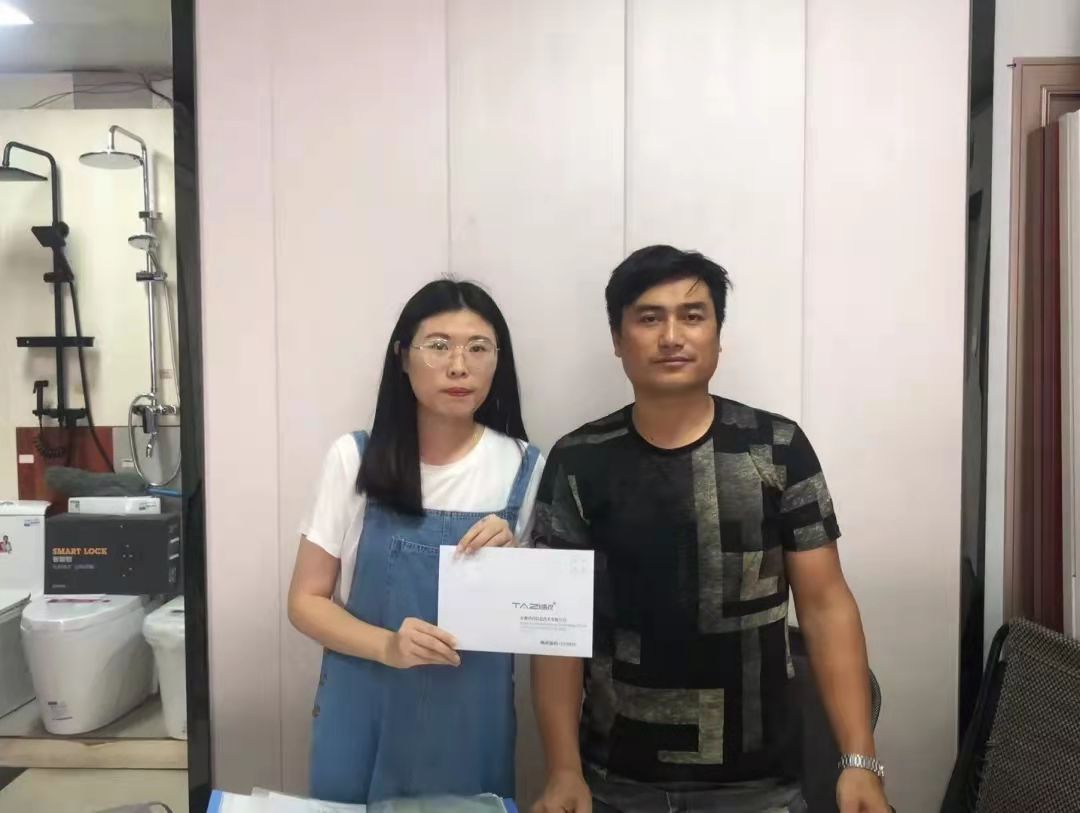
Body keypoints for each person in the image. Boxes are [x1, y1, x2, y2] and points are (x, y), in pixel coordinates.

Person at [530, 246, 890, 813]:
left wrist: (859, 761)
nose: (672, 336)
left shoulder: (777, 448)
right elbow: (556, 630)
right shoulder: (578, 460)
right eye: (650, 318)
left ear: (719, 336)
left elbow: (826, 605)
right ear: (618, 339)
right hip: (616, 781)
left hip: (761, 785)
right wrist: (562, 770)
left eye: (692, 316)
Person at [288, 279, 545, 804]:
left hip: (472, 721)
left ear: (498, 362)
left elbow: (546, 623)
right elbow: (305, 601)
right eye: (439, 345)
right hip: (362, 710)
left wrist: (516, 567)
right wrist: (388, 646)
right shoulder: (354, 459)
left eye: (479, 348)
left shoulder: (525, 467)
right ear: (403, 357)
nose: (459, 366)